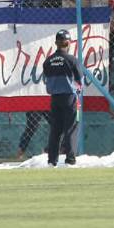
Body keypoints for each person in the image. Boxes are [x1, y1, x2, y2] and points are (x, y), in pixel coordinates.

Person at [43, 28, 83, 167]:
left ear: (56, 43)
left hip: (55, 98)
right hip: (70, 97)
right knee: (71, 128)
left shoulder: (48, 61)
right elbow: (79, 81)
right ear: (68, 42)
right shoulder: (72, 60)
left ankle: (52, 161)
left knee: (55, 130)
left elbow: (46, 78)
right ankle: (70, 160)